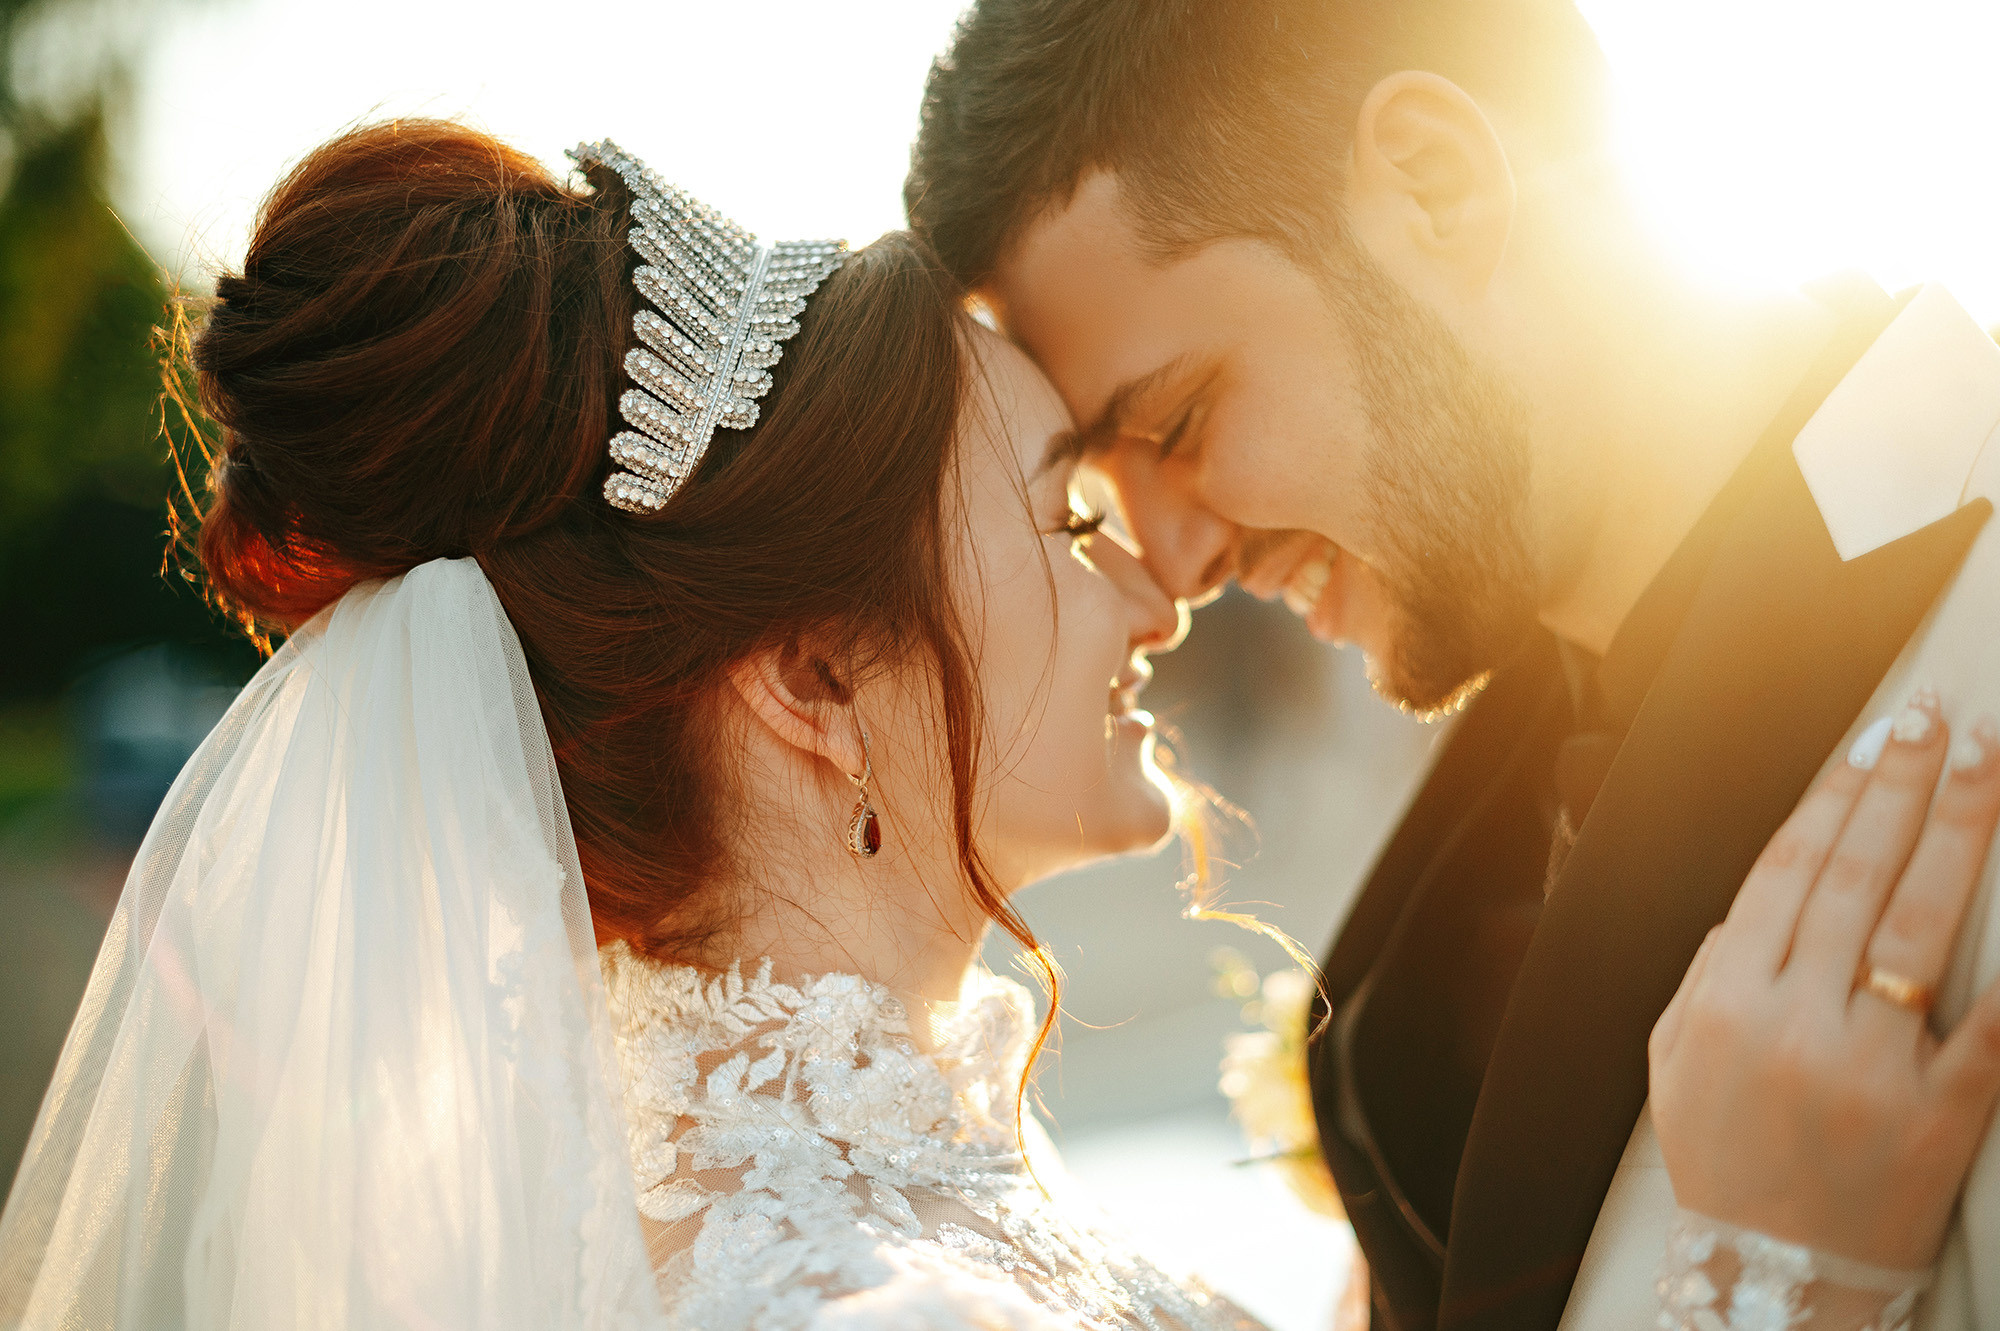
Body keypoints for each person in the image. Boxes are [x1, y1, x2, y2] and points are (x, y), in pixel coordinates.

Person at [0, 119, 1996, 1331]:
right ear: (807, 684)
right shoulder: (856, 1304)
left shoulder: (858, 1225)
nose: (1158, 580)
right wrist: (1756, 1276)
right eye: (1063, 516)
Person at [903, 2, 2000, 1328]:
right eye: (1107, 486)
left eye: (1182, 419)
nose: (1177, 566)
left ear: (1434, 184)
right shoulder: (1462, 840)